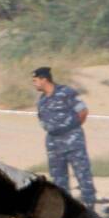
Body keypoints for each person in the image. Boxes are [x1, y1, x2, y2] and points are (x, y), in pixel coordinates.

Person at [32, 66, 96, 207]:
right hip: (54, 144)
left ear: (44, 79)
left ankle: (91, 209)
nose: (34, 83)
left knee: (82, 175)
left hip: (72, 142)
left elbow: (83, 111)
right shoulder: (42, 100)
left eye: (35, 80)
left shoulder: (66, 92)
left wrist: (71, 129)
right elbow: (42, 119)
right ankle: (66, 210)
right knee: (58, 180)